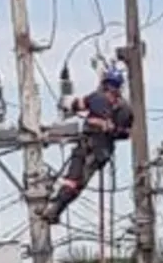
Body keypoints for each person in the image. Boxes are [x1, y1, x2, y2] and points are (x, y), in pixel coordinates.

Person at [41, 67, 134, 224]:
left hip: (87, 146)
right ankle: (55, 210)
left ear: (105, 84)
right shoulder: (126, 109)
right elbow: (126, 134)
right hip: (102, 153)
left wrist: (66, 103)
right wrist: (111, 129)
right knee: (78, 184)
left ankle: (54, 208)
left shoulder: (96, 98)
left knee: (72, 180)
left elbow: (77, 105)